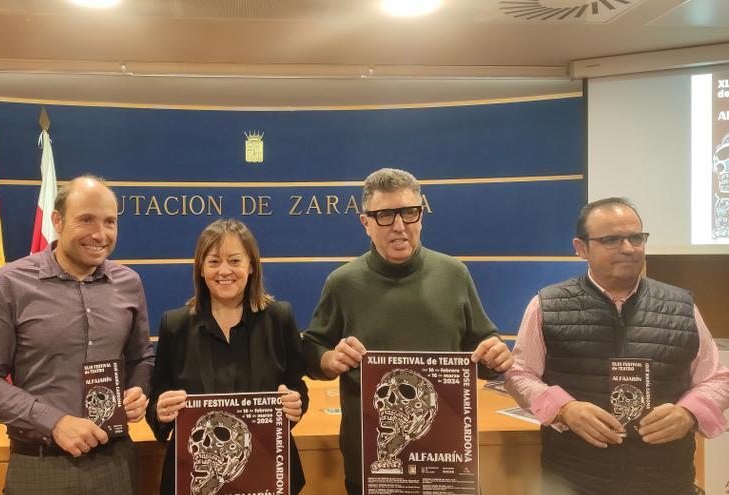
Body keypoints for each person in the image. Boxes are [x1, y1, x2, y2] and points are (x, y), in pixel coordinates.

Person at [301, 167, 513, 494]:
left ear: (421, 216)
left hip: (448, 459)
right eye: (385, 215)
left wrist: (495, 352)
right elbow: (312, 349)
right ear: (365, 223)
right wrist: (329, 359)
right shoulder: (342, 282)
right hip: (371, 463)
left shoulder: (454, 274)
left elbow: (482, 351)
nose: (400, 226)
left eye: (410, 213)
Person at [504, 197, 729, 495]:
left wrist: (689, 413)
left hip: (666, 481)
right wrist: (563, 410)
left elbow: (716, 379)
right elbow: (519, 374)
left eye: (636, 237)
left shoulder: (681, 306)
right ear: (580, 248)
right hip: (574, 481)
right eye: (611, 239)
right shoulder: (547, 304)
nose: (628, 248)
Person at [0, 176, 155, 495]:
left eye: (110, 222)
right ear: (57, 221)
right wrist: (54, 422)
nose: (100, 234)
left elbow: (142, 358)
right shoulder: (11, 284)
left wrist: (138, 389)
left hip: (115, 464)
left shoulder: (129, 283)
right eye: (86, 220)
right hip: (40, 466)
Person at [146, 219, 308, 495]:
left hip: (268, 472)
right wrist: (160, 412)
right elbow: (157, 400)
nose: (224, 271)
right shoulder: (175, 325)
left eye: (234, 261)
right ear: (200, 268)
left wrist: (296, 404)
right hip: (193, 477)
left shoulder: (280, 318)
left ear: (251, 266)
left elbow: (298, 389)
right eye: (213, 261)